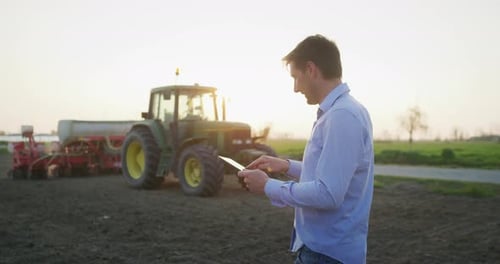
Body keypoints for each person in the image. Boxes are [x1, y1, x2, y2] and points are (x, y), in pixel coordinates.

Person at [237, 34, 374, 264]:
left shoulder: (341, 116)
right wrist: (286, 165)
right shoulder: (343, 111)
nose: (295, 88)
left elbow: (328, 193)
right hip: (324, 251)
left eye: (295, 77)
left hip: (326, 255)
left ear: (311, 69)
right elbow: (332, 174)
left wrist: (268, 185)